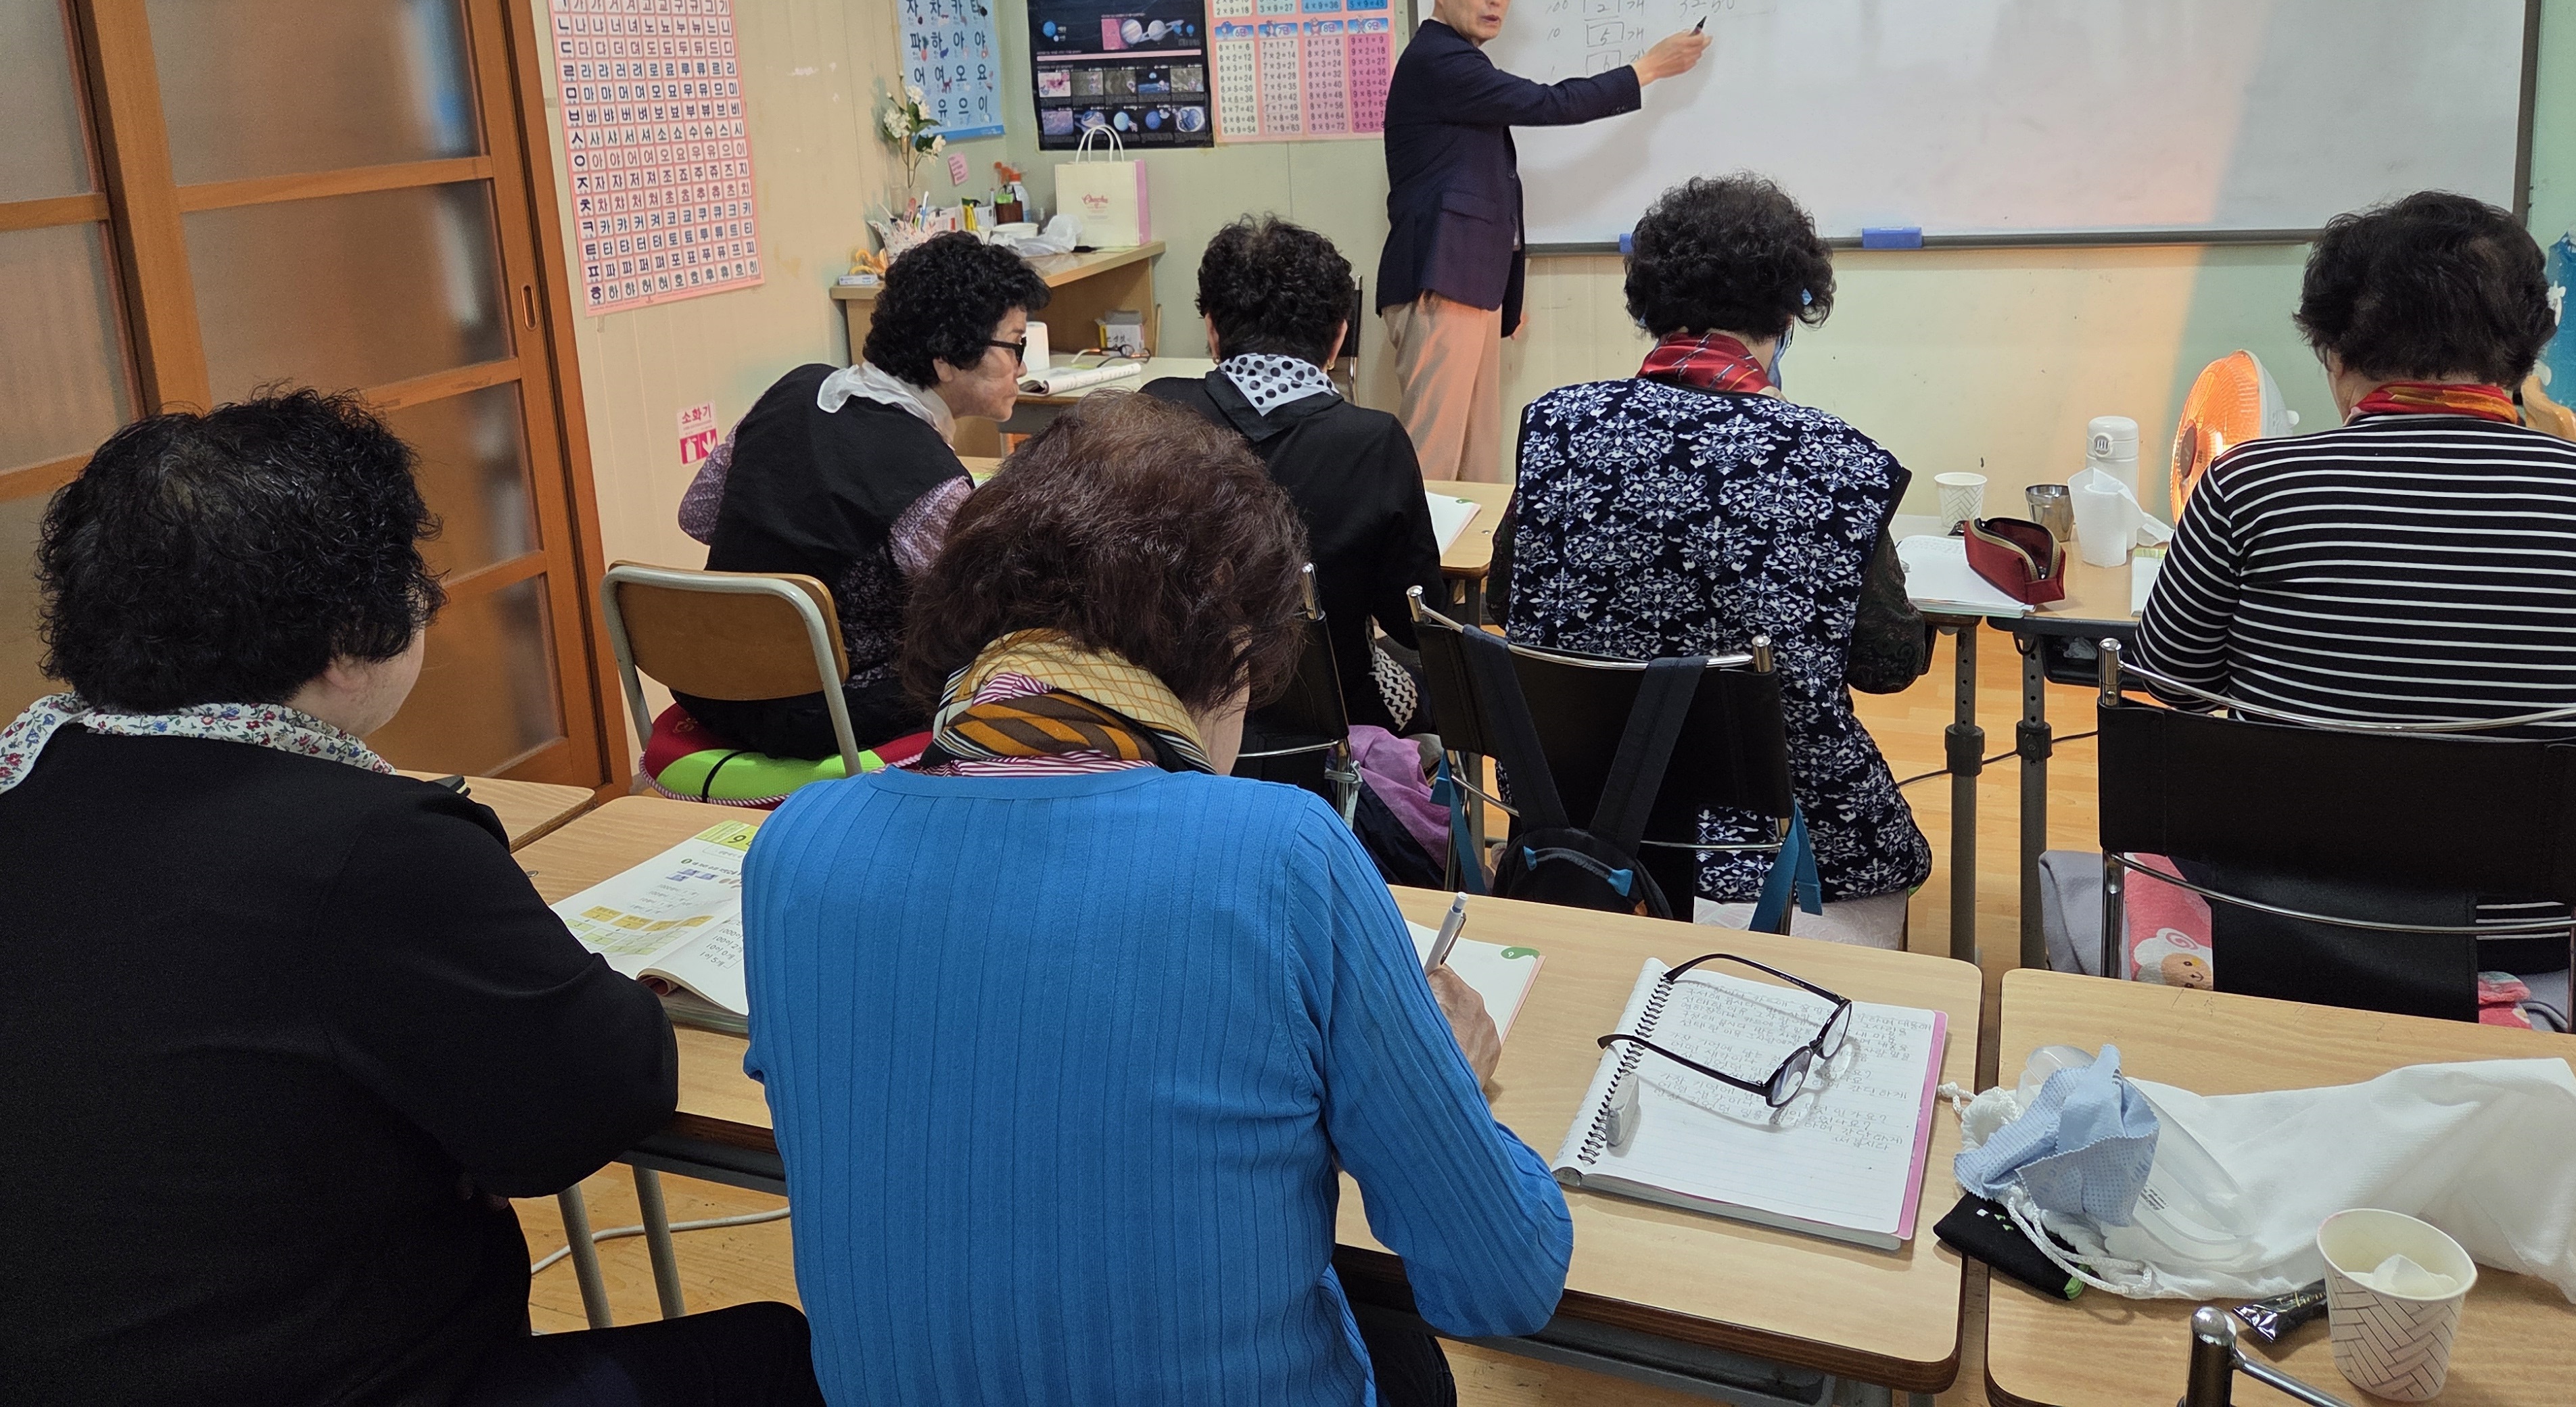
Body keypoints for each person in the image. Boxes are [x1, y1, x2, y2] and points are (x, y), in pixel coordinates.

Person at [742, 396, 1572, 1407]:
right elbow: (1503, 1279)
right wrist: (1444, 1083)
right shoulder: (1281, 855)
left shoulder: (795, 844)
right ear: (1233, 651)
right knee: (1403, 1358)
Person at [0, 390, 822, 1407]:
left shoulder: (28, 779)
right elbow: (598, 1104)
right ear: (356, 625)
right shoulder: (369, 846)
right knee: (778, 1356)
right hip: (336, 1377)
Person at [2136, 189, 2576, 965]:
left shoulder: (2246, 484)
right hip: (2539, 924)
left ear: (2335, 351)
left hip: (2278, 902)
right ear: (2524, 355)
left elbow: (2171, 683)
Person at [1490, 174, 1935, 947]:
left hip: (1578, 816)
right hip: (1783, 845)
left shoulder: (1557, 426)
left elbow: (1505, 600)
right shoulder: (1838, 462)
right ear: (1789, 311)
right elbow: (1887, 664)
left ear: (1650, 300)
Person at [675, 231, 1049, 758]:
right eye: (1015, 346)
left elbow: (697, 516)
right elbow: (982, 614)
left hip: (707, 683)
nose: (1023, 368)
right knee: (1015, 651)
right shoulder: (930, 483)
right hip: (824, 712)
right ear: (947, 357)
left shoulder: (793, 389)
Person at [1376, 0, 1711, 483]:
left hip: (1466, 285)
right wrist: (1648, 68)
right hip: (1441, 282)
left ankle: (1467, 550)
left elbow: (1486, 188)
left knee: (1475, 467)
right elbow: (1550, 104)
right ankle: (1406, 549)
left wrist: (1502, 291)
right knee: (1432, 466)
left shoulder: (1458, 62)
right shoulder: (1439, 60)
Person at [1146, 214, 1443, 735]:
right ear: (1339, 336)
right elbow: (1416, 623)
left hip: (1171, 721)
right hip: (1331, 723)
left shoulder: (1154, 413)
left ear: (1212, 330)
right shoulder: (1373, 442)